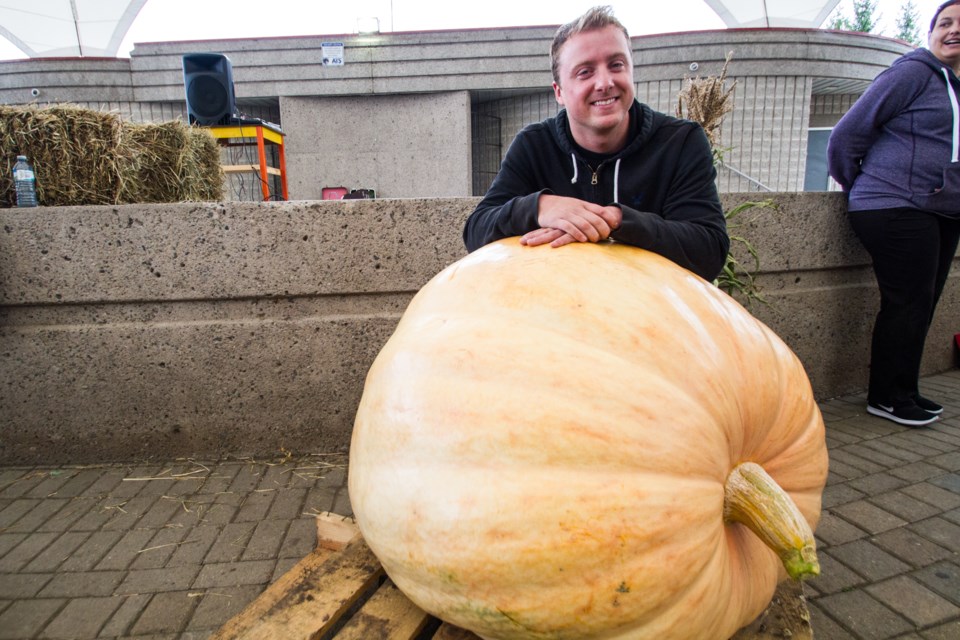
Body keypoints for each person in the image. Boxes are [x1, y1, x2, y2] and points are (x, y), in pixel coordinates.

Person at [462, 5, 729, 283]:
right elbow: (476, 232)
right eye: (585, 72)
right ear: (559, 92)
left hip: (650, 316)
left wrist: (615, 221)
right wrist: (541, 208)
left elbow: (708, 251)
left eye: (616, 65)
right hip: (555, 312)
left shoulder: (680, 142)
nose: (605, 82)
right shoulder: (534, 145)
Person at [827, 0, 960, 427]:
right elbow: (846, 135)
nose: (953, 29)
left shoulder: (953, 86)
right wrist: (863, 188)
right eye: (945, 22)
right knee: (907, 302)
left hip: (941, 209)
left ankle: (906, 388)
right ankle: (885, 397)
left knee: (924, 302)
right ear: (931, 32)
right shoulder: (911, 73)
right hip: (895, 204)